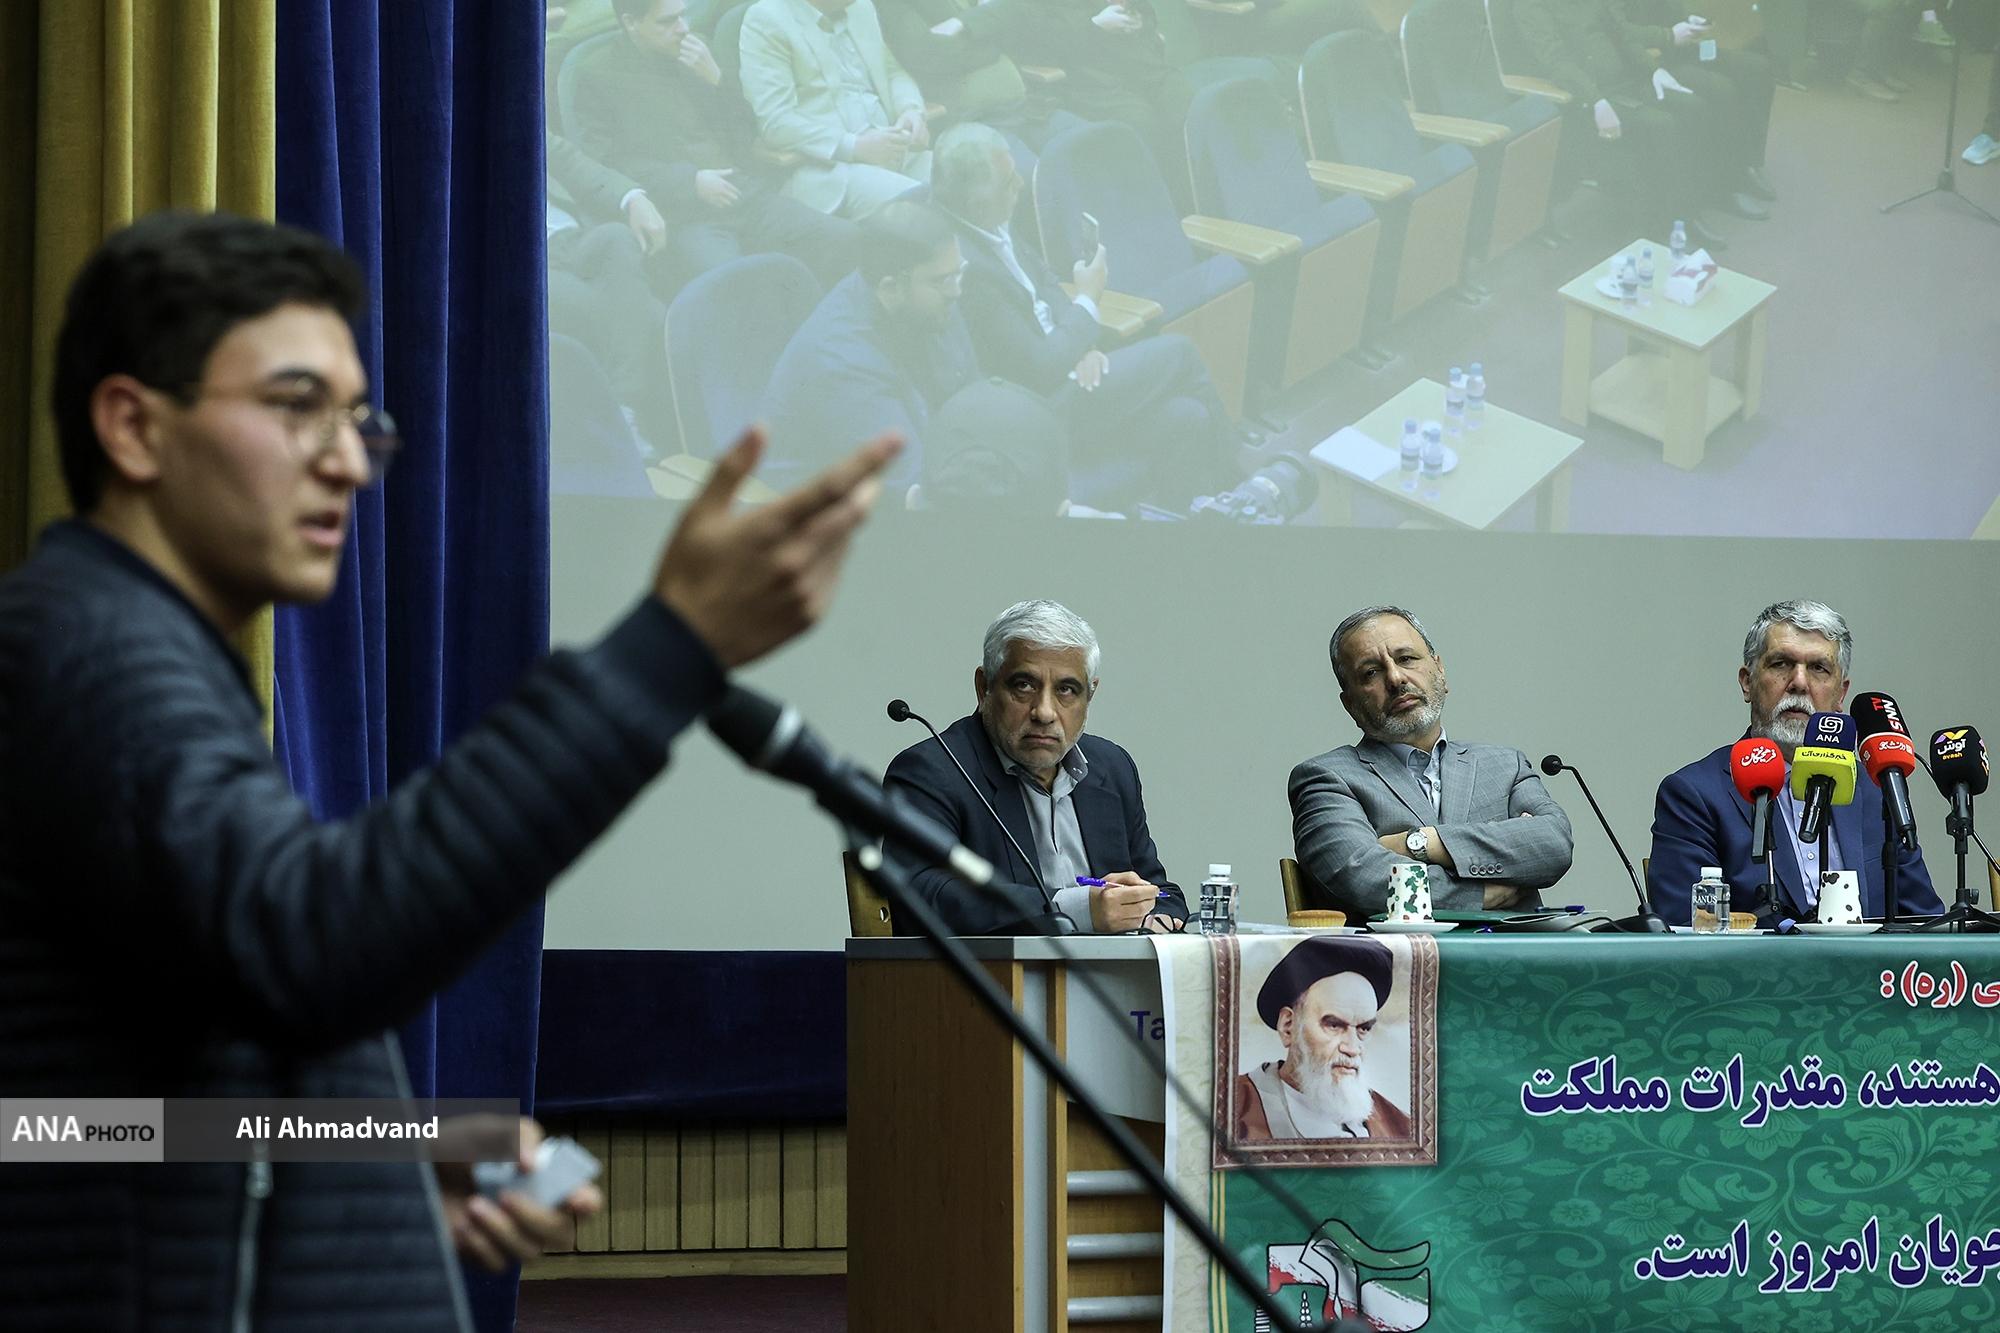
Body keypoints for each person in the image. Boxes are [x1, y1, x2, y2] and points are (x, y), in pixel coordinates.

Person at [0, 211, 896, 1326]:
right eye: (295, 407)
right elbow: (309, 945)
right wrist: (665, 651)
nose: (347, 462)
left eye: (358, 420)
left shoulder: (128, 649)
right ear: (134, 428)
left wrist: (388, 1160)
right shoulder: (90, 650)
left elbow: (94, 1115)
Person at [930, 122, 1232, 509]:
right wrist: (1088, 300)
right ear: (977, 203)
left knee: (1187, 416)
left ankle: (1190, 516)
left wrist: (1082, 345)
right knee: (1180, 352)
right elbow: (1039, 368)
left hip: (1068, 365)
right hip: (1046, 409)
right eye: (1008, 182)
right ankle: (1237, 493)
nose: (1020, 185)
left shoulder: (987, 219)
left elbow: (1045, 281)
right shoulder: (967, 271)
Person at [882, 599, 1187, 934]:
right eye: (1024, 686)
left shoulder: (1112, 768)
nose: (1044, 712)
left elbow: (1160, 891)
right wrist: (1074, 910)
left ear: (1090, 695)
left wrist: (1151, 917)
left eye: (1066, 690)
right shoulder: (933, 771)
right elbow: (919, 895)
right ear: (984, 688)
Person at [1648, 600, 1941, 927]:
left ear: (1841, 694)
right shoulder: (1694, 794)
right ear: (1747, 682)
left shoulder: (1876, 789)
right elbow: (1685, 931)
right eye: (1781, 664)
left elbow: (1927, 922)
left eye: (1818, 668)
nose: (1799, 683)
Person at [1289, 605, 1575, 917]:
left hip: (1517, 949)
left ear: (1439, 670)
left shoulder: (1505, 765)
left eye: (1406, 658)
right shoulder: (1325, 778)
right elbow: (1361, 876)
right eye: (1371, 672)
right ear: (1350, 704)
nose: (1396, 678)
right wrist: (1477, 894)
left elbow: (1554, 845)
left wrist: (1422, 843)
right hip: (1396, 950)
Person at [568, 0, 860, 290]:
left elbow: (748, 132)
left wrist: (717, 80)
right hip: (682, 215)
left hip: (743, 194)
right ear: (631, 22)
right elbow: (606, 166)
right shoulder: (596, 75)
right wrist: (690, 182)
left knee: (846, 240)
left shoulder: (696, 51)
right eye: (667, 21)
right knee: (737, 287)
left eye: (682, 16)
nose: (683, 28)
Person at [762, 200, 986, 490]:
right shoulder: (843, 363)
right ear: (890, 287)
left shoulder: (930, 302)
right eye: (943, 280)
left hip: (915, 462)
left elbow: (973, 397)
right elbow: (917, 487)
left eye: (958, 273)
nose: (956, 291)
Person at [1510, 0, 1738, 248]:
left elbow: (1621, 33)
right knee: (1662, 125)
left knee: (1693, 107)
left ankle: (1697, 200)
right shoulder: (1529, 6)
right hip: (1588, 97)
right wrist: (1596, 100)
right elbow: (1557, 61)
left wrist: (1653, 71)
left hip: (1627, 81)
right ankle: (1671, 221)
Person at [739, 0, 936, 219]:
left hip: (893, 145)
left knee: (961, 176)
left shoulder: (861, 7)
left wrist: (910, 109)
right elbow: (776, 122)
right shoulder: (767, 19)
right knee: (924, 207)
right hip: (832, 168)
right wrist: (854, 146)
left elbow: (891, 72)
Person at [1233, 934, 1412, 1142]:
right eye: (1334, 1025)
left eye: (1363, 1029)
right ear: (1288, 1026)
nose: (1352, 1048)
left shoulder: (1397, 1125)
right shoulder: (1231, 1109)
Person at [1612, 0, 1778, 210]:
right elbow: (1618, 31)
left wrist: (1690, 20)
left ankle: (1747, 163)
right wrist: (1668, 35)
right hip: (1649, 61)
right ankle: (1726, 184)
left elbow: (1665, 10)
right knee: (1723, 90)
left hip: (1677, 47)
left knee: (1758, 69)